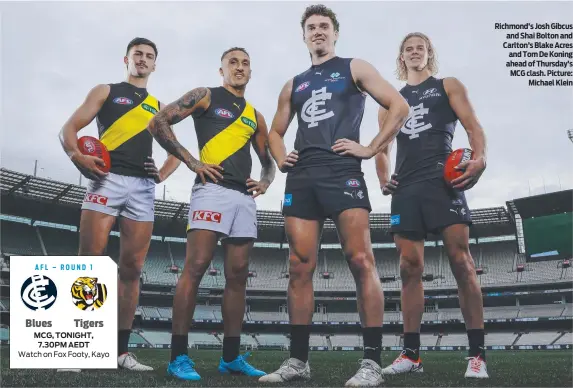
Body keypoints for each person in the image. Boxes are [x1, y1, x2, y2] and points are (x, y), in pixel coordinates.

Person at [258, 4, 410, 387]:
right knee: (299, 265)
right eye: (311, 27)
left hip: (342, 172)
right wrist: (280, 157)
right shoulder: (293, 83)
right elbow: (274, 132)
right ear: (304, 35)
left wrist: (371, 147)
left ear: (335, 33)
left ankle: (371, 363)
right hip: (303, 178)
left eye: (324, 26)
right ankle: (298, 361)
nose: (318, 32)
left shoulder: (354, 67)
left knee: (360, 259)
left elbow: (399, 106)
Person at [146, 47, 275, 381]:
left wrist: (265, 181)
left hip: (243, 199)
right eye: (233, 62)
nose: (240, 67)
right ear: (222, 70)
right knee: (196, 267)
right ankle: (178, 358)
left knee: (238, 275)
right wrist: (192, 162)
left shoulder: (255, 115)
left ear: (251, 71)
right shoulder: (204, 95)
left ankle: (230, 357)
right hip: (211, 191)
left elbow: (267, 160)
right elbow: (157, 122)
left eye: (246, 63)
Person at [58, 37, 181, 371]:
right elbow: (68, 128)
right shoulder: (106, 90)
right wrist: (76, 154)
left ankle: (120, 353)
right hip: (105, 180)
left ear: (155, 65)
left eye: (149, 56)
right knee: (88, 263)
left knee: (132, 270)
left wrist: (162, 176)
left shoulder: (160, 107)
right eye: (137, 54)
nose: (142, 59)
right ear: (126, 59)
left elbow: (177, 152)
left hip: (142, 188)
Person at [377, 32, 488, 379]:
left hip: (445, 182)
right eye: (408, 49)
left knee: (462, 262)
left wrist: (480, 159)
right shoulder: (389, 100)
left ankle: (477, 356)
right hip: (406, 186)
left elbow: (473, 127)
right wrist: (383, 178)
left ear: (428, 55)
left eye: (420, 48)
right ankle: (411, 355)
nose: (414, 52)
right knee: (409, 267)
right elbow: (382, 148)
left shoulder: (448, 85)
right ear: (401, 57)